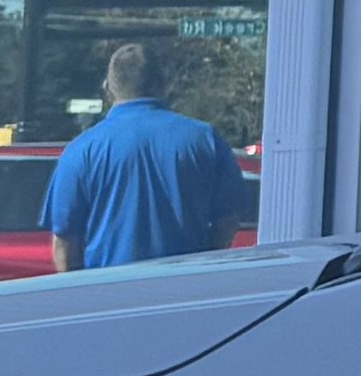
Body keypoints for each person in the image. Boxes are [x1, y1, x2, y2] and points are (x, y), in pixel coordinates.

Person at [42, 40, 246, 271]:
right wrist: (203, 264)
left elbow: (65, 240)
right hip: (185, 289)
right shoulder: (205, 139)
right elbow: (228, 218)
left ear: (107, 87)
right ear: (161, 84)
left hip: (108, 292)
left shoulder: (81, 150)